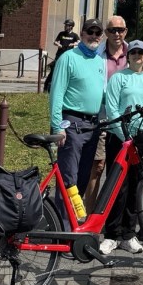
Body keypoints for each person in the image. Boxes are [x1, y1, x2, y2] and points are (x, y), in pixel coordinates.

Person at [100, 40, 143, 255]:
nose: (137, 55)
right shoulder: (118, 78)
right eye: (133, 52)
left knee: (136, 187)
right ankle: (111, 234)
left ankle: (128, 233)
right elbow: (112, 109)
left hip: (142, 140)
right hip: (120, 139)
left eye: (140, 52)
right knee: (117, 186)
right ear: (128, 55)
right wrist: (124, 135)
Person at [48, 18, 106, 217]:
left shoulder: (99, 61)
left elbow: (100, 93)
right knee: (68, 179)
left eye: (97, 33)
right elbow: (56, 93)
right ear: (81, 34)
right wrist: (57, 126)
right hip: (72, 124)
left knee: (82, 177)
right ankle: (62, 226)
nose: (94, 36)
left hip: (93, 125)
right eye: (90, 32)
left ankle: (72, 220)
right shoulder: (68, 58)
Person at [84, 14, 130, 211]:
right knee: (97, 167)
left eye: (120, 30)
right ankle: (90, 215)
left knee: (118, 169)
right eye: (112, 30)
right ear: (106, 33)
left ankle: (111, 214)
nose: (116, 34)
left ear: (125, 31)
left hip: (124, 120)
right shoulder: (97, 53)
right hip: (102, 117)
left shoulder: (133, 52)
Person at [43, 18, 78, 92]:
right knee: (54, 70)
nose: (65, 26)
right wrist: (58, 44)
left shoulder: (74, 35)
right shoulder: (61, 33)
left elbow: (79, 42)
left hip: (69, 55)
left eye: (67, 25)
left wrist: (73, 44)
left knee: (67, 71)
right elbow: (55, 42)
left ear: (71, 26)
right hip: (60, 54)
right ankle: (46, 87)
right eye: (65, 25)